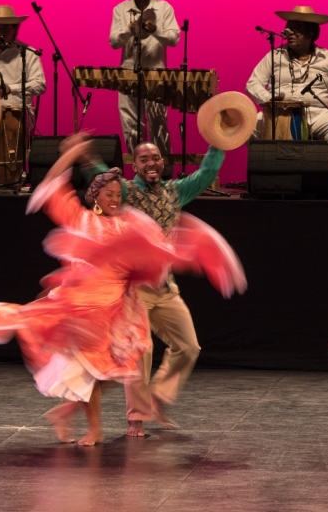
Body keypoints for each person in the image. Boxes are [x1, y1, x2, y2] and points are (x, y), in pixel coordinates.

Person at [0, 137, 244, 446]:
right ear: (96, 195)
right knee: (96, 370)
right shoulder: (83, 218)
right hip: (82, 309)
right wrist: (76, 156)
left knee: (112, 370)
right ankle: (102, 426)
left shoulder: (133, 222)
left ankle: (68, 413)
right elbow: (54, 186)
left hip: (119, 305)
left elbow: (155, 251)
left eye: (119, 195)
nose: (116, 199)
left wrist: (192, 254)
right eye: (109, 194)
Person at [82, 139, 227, 437]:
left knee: (189, 347)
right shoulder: (125, 191)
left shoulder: (175, 191)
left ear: (163, 162)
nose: (151, 163)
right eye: (144, 159)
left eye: (156, 158)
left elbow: (206, 174)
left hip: (165, 288)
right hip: (135, 291)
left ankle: (159, 395)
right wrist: (85, 155)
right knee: (141, 353)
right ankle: (136, 418)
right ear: (135, 166)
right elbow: (103, 181)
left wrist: (219, 141)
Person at [246, 6, 328, 161]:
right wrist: (270, 99)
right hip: (280, 114)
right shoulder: (275, 55)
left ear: (309, 35)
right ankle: (266, 173)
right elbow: (253, 83)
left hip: (317, 114)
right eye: (288, 29)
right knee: (247, 129)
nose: (289, 33)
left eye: (296, 30)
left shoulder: (327, 57)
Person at [109, 0, 180, 155]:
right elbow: (114, 42)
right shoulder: (120, 9)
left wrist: (155, 30)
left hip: (156, 71)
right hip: (127, 70)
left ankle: (162, 172)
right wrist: (128, 30)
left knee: (158, 123)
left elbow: (174, 39)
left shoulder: (163, 7)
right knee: (130, 122)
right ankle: (137, 167)